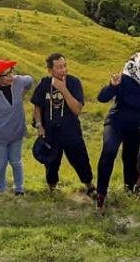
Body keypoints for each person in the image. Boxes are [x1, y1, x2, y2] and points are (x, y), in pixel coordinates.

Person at [95, 52, 140, 213]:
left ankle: (129, 192)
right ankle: (101, 194)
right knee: (109, 151)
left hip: (136, 127)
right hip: (116, 123)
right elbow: (101, 98)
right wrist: (112, 86)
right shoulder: (124, 79)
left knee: (130, 160)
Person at [31, 52, 95, 196]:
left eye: (64, 66)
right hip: (50, 132)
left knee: (80, 160)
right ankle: (52, 188)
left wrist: (63, 89)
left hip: (71, 131)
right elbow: (37, 106)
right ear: (50, 70)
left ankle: (89, 186)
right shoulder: (44, 83)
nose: (63, 70)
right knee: (51, 163)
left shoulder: (74, 82)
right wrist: (39, 125)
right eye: (59, 67)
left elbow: (77, 109)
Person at [0, 59, 34, 195]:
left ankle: (19, 188)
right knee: (1, 164)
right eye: (7, 75)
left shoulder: (18, 82)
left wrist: (22, 93)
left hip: (16, 133)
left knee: (16, 161)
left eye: (11, 72)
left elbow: (30, 80)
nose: (11, 76)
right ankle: (1, 188)